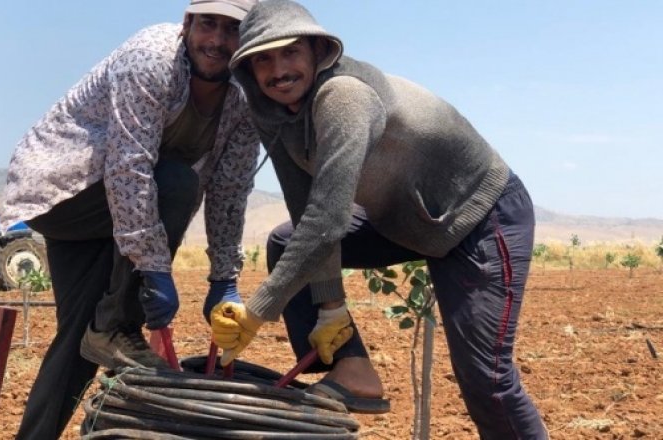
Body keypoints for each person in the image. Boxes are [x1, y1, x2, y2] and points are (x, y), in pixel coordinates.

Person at [209, 0, 548, 438]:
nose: (278, 70)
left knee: (488, 378)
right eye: (263, 60)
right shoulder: (276, 112)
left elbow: (329, 220)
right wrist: (330, 309)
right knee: (285, 241)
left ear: (317, 52)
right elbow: (306, 209)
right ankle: (354, 372)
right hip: (406, 221)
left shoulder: (343, 96)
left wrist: (256, 312)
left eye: (290, 52)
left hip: (478, 216)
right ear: (249, 72)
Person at [0, 0, 259, 438]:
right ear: (187, 24)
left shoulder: (246, 96)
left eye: (231, 30)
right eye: (207, 25)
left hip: (116, 211)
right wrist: (153, 268)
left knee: (82, 341)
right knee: (175, 183)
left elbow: (230, 191)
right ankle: (118, 323)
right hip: (65, 190)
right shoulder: (152, 57)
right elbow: (128, 167)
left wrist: (223, 279)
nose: (216, 41)